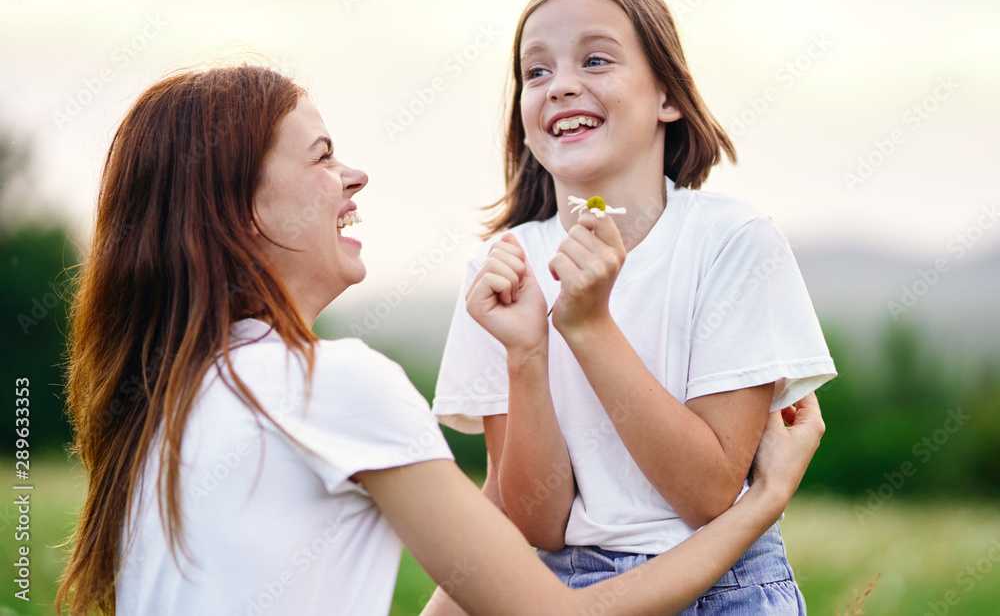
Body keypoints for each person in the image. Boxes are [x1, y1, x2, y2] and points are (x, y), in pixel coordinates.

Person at [57, 62, 824, 616]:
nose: (354, 177)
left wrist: (527, 356)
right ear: (238, 211)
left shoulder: (165, 399)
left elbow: (476, 553)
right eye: (322, 157)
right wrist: (761, 504)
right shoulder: (333, 386)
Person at [432, 0, 837, 613]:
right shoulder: (502, 267)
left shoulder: (731, 241)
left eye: (595, 60)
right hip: (559, 587)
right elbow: (537, 522)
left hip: (724, 583)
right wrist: (526, 354)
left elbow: (705, 494)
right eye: (535, 73)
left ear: (668, 97)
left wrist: (589, 327)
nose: (560, 85)